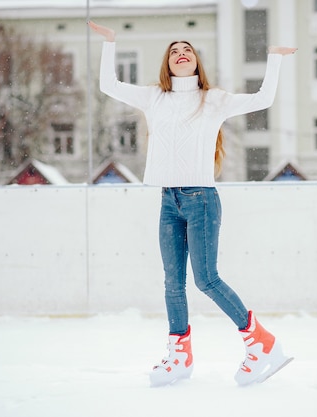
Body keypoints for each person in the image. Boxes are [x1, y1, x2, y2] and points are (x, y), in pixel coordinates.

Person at [88, 21, 297, 387]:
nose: (181, 52)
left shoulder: (212, 99)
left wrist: (274, 59)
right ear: (167, 65)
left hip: (201, 199)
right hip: (168, 199)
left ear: (196, 61)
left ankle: (262, 343)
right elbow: (109, 86)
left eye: (187, 49)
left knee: (207, 280)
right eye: (173, 50)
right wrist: (110, 43)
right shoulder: (154, 97)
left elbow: (263, 99)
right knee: (173, 282)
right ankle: (180, 356)